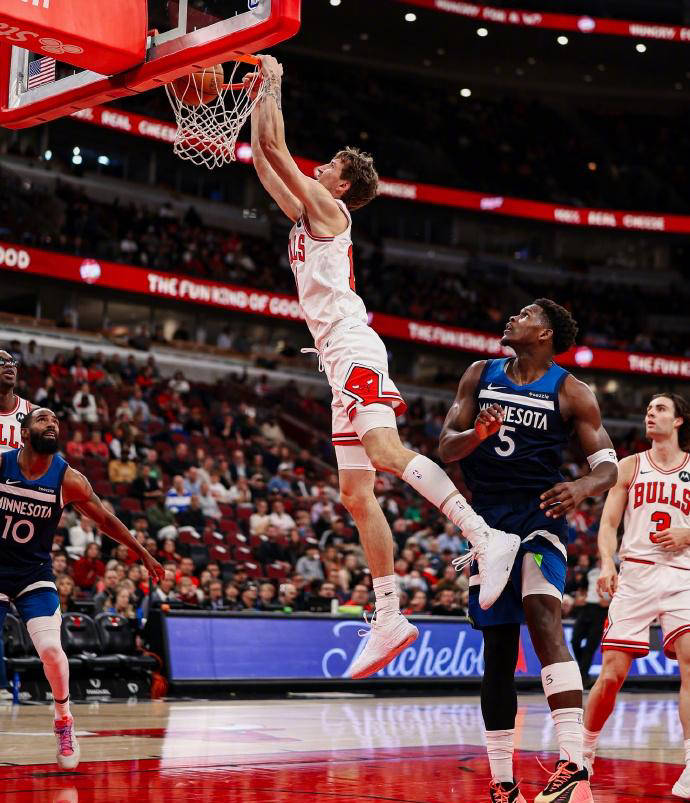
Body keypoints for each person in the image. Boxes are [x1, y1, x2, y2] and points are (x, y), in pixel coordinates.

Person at [246, 54, 521, 679]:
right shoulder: (304, 215)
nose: (317, 170)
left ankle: (485, 537)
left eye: (329, 169)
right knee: (354, 491)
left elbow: (275, 143)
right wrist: (254, 94)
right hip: (334, 357)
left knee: (387, 453)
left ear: (342, 187)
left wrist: (273, 80)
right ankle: (389, 612)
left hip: (352, 347)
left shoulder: (330, 214)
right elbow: (263, 157)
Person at [439, 300, 617, 803]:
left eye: (523, 315)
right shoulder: (480, 373)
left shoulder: (570, 391)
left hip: (539, 518)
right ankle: (501, 782)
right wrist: (477, 433)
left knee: (543, 617)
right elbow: (445, 449)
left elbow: (608, 466)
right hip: (486, 524)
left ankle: (572, 762)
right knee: (496, 650)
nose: (511, 319)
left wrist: (582, 488)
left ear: (545, 335)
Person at [0, 407, 164, 770]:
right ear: (24, 433)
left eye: (56, 421)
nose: (52, 424)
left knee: (52, 652)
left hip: (32, 573)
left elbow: (106, 519)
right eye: (43, 419)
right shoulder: (2, 465)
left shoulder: (67, 478)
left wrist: (143, 553)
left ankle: (64, 720)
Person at [582, 394, 690, 798]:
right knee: (611, 675)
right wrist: (606, 564)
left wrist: (687, 533)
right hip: (636, 575)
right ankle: (583, 755)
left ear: (679, 420)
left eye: (660, 409)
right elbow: (609, 524)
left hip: (683, 575)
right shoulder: (631, 465)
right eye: (647, 408)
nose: (650, 413)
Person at [570, 558, 609, 686]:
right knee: (575, 640)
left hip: (601, 610)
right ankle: (583, 673)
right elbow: (582, 588)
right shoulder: (590, 572)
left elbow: (622, 592)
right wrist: (580, 598)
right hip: (586, 608)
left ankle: (582, 677)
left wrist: (610, 602)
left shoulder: (616, 572)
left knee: (590, 647)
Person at [0, 349, 33, 452]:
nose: (9, 365)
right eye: (1, 361)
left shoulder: (32, 413)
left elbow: (47, 458)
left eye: (12, 362)